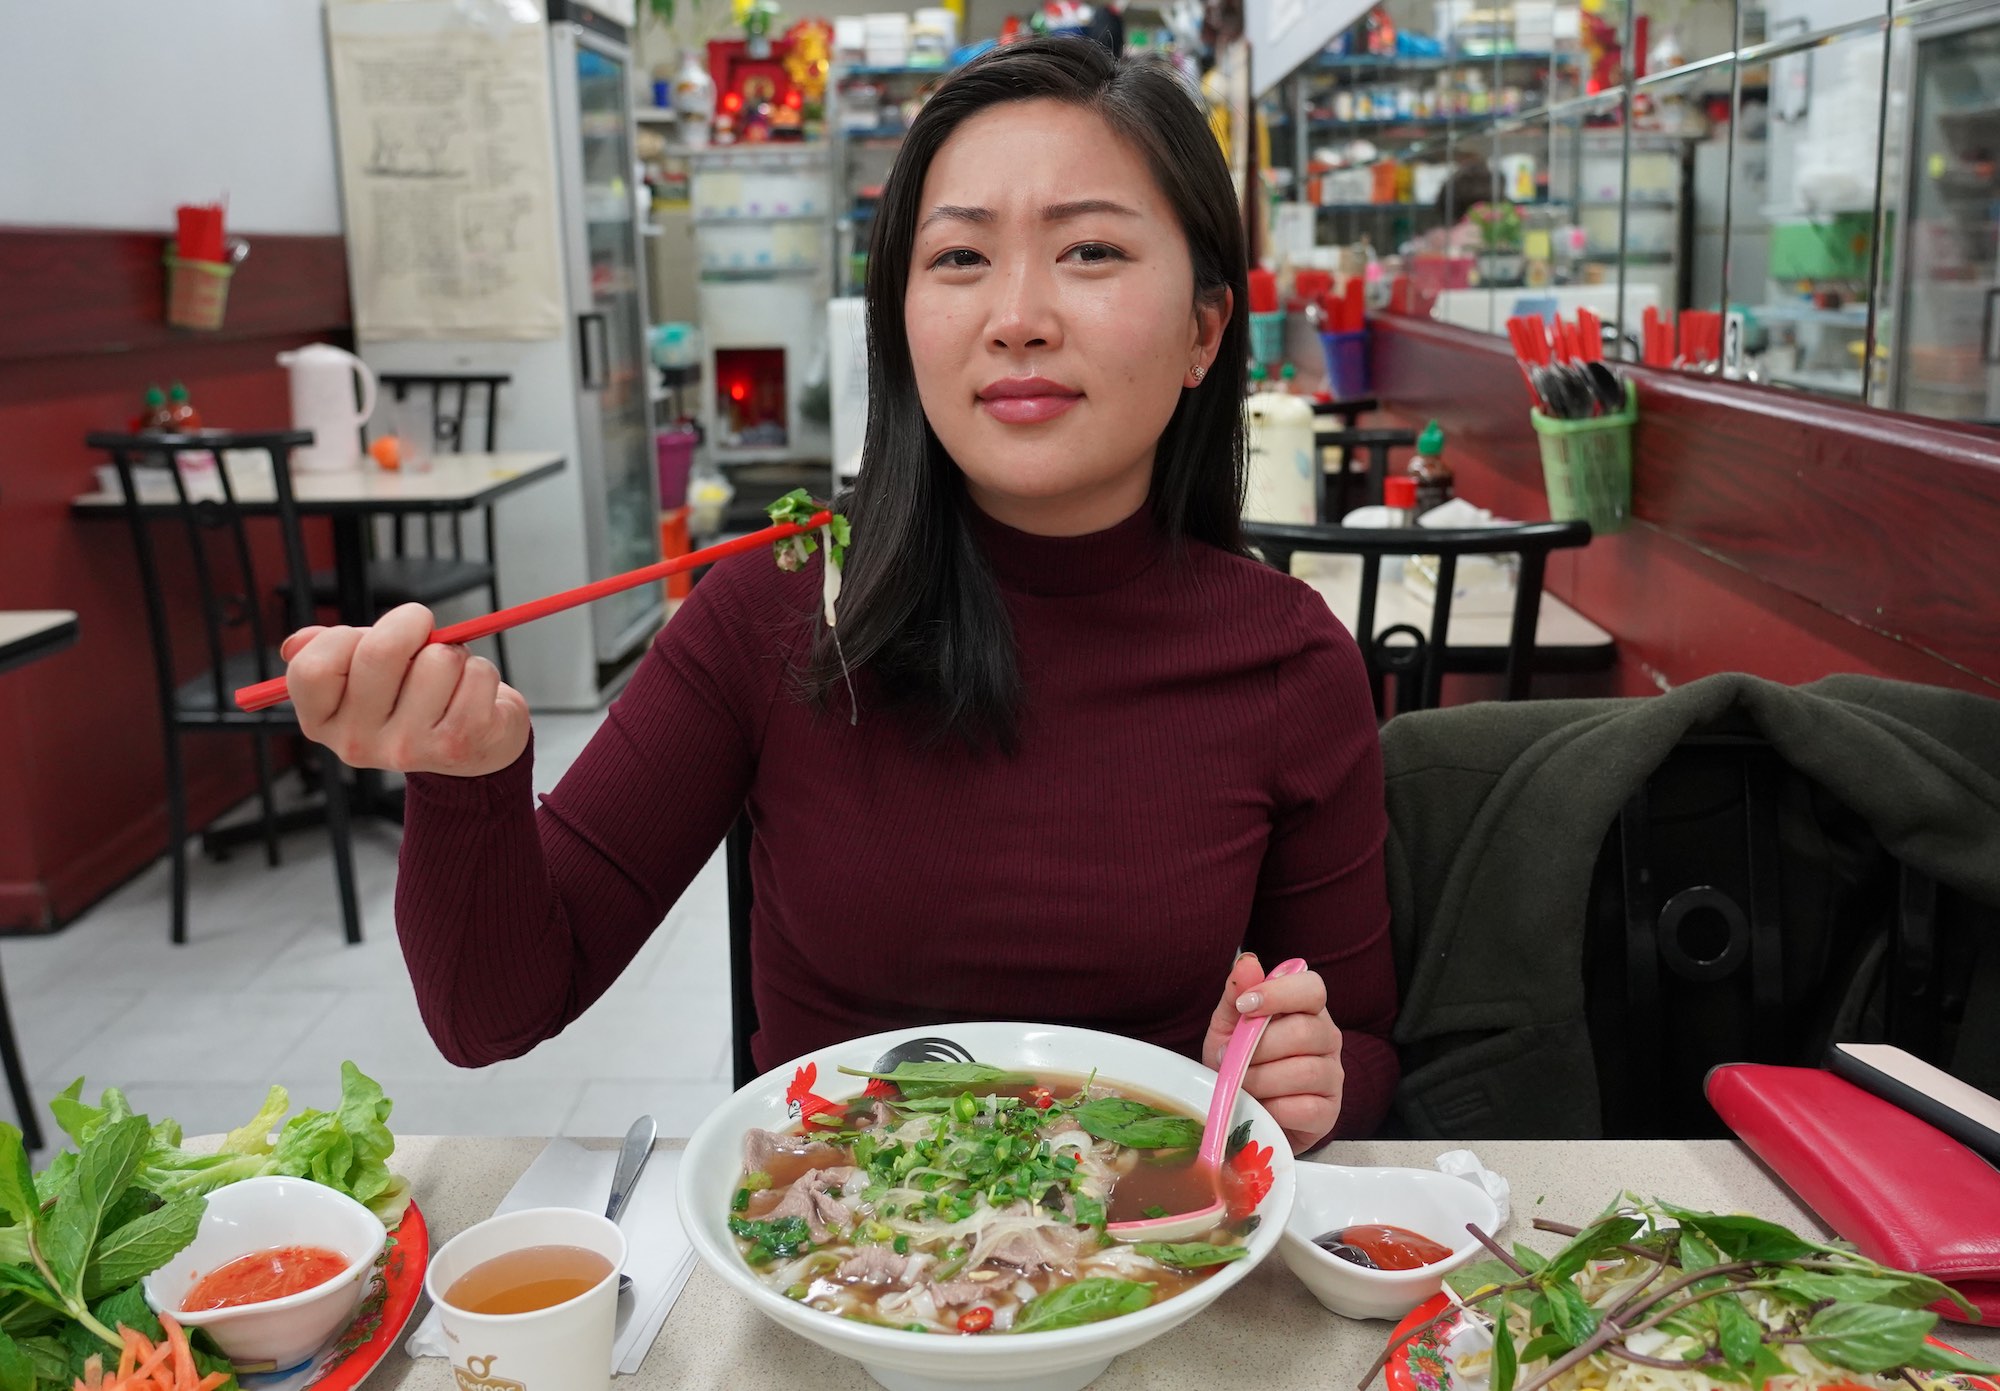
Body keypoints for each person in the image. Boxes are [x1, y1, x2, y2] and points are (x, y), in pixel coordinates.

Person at [279, 36, 1398, 1152]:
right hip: (824, 1271)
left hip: (1149, 1264)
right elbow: (490, 1015)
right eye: (958, 260)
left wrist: (1307, 1077)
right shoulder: (773, 607)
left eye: (1090, 250)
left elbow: (1366, 1045)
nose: (1016, 314)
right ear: (899, 326)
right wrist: (463, 774)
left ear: (1204, 327)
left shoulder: (1287, 659)